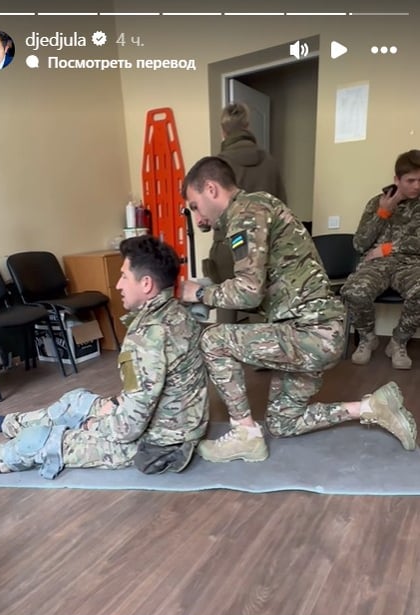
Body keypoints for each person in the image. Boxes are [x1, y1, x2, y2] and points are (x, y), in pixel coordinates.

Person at [180, 156, 417, 463]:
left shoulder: (246, 213)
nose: (198, 218)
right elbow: (262, 287)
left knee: (213, 340)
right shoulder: (260, 204)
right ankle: (372, 407)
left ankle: (244, 435)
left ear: (211, 189)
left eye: (195, 205)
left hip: (312, 333)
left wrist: (199, 292)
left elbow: (248, 293)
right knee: (283, 423)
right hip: (312, 330)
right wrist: (213, 289)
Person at [0, 237, 208, 476]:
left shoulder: (148, 336)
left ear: (146, 284)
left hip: (159, 445)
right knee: (76, 402)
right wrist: (114, 405)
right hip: (170, 424)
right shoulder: (178, 314)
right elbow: (156, 387)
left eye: (124, 276)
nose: (118, 285)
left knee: (37, 441)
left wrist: (91, 424)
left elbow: (127, 429)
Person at [341, 149, 420, 370]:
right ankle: (368, 338)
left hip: (412, 264)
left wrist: (387, 248)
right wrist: (383, 213)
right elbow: (359, 244)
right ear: (397, 179)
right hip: (377, 265)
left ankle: (398, 342)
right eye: (411, 180)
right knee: (354, 291)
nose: (417, 186)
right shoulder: (377, 202)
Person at [201, 102, 287, 287]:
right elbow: (282, 209)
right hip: (267, 250)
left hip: (228, 252)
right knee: (263, 300)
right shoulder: (270, 162)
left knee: (229, 299)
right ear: (247, 126)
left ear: (223, 131)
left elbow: (208, 217)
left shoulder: (217, 166)